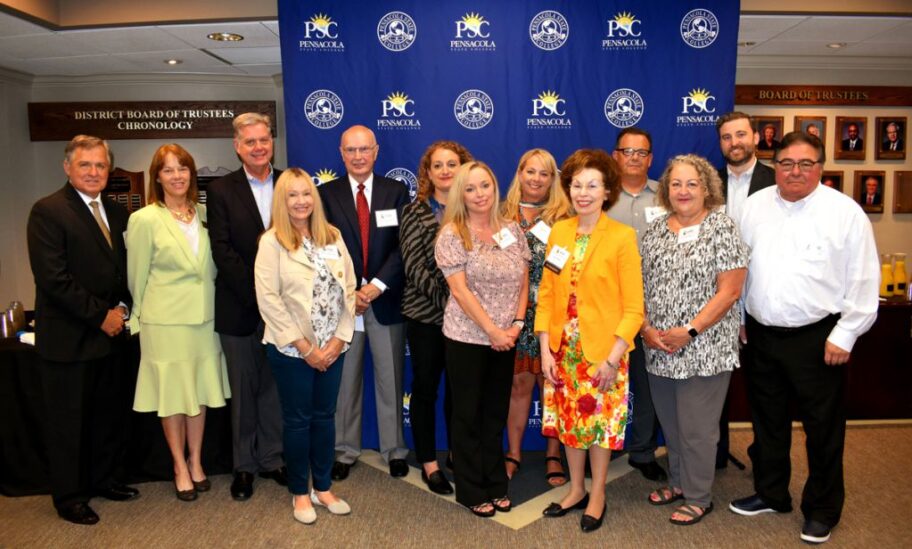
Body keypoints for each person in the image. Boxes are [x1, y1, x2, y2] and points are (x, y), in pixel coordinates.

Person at [730, 132, 879, 545]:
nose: (794, 171)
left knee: (823, 430)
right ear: (774, 165)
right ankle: (771, 493)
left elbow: (864, 279)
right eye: (786, 163)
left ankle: (822, 509)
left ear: (820, 168)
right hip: (760, 334)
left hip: (819, 339)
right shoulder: (754, 207)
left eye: (805, 164)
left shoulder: (845, 213)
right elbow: (741, 267)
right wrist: (741, 316)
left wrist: (845, 335)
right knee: (768, 423)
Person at [26, 135, 138, 525]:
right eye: (85, 165)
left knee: (107, 417)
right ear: (67, 167)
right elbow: (54, 279)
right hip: (71, 340)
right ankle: (70, 497)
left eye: (100, 165)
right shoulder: (48, 211)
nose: (94, 172)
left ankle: (105, 479)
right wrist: (100, 316)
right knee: (69, 423)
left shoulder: (117, 211)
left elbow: (123, 270)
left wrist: (123, 307)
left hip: (112, 337)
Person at [537, 149, 644, 533]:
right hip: (563, 351)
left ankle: (597, 493)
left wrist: (614, 357)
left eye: (592, 185)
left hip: (604, 353)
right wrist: (545, 346)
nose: (583, 193)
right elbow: (547, 293)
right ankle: (576, 488)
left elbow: (634, 308)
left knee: (599, 425)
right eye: (577, 185)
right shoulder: (560, 232)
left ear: (607, 190)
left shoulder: (621, 236)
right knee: (570, 422)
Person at [640, 154, 748, 526]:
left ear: (706, 188)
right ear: (666, 190)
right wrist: (646, 329)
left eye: (691, 184)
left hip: (704, 347)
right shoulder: (654, 230)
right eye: (676, 184)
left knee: (697, 428)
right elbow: (637, 284)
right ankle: (678, 482)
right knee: (671, 425)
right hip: (658, 346)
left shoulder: (722, 226)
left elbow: (730, 290)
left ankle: (699, 496)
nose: (683, 191)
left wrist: (690, 330)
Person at [127, 144, 231, 502]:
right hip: (164, 323)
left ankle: (197, 460)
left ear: (192, 174)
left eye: (182, 168)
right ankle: (178, 465)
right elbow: (135, 275)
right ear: (157, 177)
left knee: (198, 391)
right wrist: (137, 318)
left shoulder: (205, 213)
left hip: (205, 319)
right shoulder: (144, 219)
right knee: (173, 395)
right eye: (168, 170)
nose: (177, 176)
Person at [255, 168, 357, 525]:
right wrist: (305, 348)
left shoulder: (332, 236)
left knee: (324, 418)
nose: (301, 201)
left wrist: (339, 339)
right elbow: (268, 300)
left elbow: (349, 289)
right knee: (297, 422)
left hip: (333, 347)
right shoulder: (271, 242)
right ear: (283, 202)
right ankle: (300, 492)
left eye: (306, 194)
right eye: (292, 195)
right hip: (291, 350)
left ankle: (324, 487)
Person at [435, 161, 530, 517]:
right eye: (470, 188)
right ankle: (472, 488)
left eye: (485, 186)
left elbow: (523, 279)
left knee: (494, 414)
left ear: (495, 187)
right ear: (461, 193)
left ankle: (496, 483)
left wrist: (517, 325)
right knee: (467, 415)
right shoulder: (452, 235)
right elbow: (459, 291)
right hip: (467, 338)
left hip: (506, 337)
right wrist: (492, 331)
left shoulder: (511, 230)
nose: (479, 194)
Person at [319, 125, 411, 480]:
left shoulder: (396, 191)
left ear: (376, 151)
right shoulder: (325, 195)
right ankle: (344, 450)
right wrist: (350, 291)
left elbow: (403, 246)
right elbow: (323, 249)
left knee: (390, 379)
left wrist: (374, 286)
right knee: (345, 382)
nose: (358, 156)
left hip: (384, 299)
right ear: (341, 154)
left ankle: (394, 450)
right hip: (344, 305)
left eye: (364, 149)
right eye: (351, 150)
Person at [207, 113, 286, 500]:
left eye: (264, 140)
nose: (259, 147)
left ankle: (273, 459)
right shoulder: (221, 190)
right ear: (237, 147)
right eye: (250, 141)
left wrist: (279, 301)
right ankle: (244, 466)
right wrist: (259, 297)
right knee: (243, 390)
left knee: (274, 388)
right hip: (240, 308)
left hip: (285, 312)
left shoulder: (290, 183)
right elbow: (221, 250)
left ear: (272, 141)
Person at [401, 140, 473, 495]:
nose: (445, 171)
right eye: (438, 165)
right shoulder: (414, 212)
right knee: (426, 390)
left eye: (452, 164)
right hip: (427, 318)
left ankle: (458, 456)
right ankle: (429, 461)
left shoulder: (475, 209)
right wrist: (456, 301)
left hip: (467, 322)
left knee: (460, 393)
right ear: (427, 173)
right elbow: (414, 268)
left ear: (464, 167)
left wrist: (467, 306)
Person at [500, 148, 571, 486]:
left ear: (552, 179)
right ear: (519, 173)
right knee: (518, 385)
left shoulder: (563, 217)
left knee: (551, 387)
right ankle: (513, 452)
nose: (537, 179)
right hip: (510, 316)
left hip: (550, 314)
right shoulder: (501, 214)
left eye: (544, 173)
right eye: (531, 172)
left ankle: (553, 454)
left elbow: (564, 266)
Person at [715, 111, 777, 468]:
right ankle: (716, 454)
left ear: (755, 137)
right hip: (715, 299)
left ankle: (765, 459)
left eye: (740, 135)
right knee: (714, 387)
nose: (734, 143)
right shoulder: (707, 181)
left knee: (763, 390)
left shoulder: (776, 179)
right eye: (726, 137)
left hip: (761, 296)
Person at [608, 128, 667, 482]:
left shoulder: (666, 196)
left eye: (641, 152)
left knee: (647, 383)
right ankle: (606, 442)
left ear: (650, 158)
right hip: (607, 306)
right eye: (627, 151)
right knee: (607, 378)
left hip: (655, 306)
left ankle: (642, 451)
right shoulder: (598, 194)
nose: (634, 157)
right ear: (615, 155)